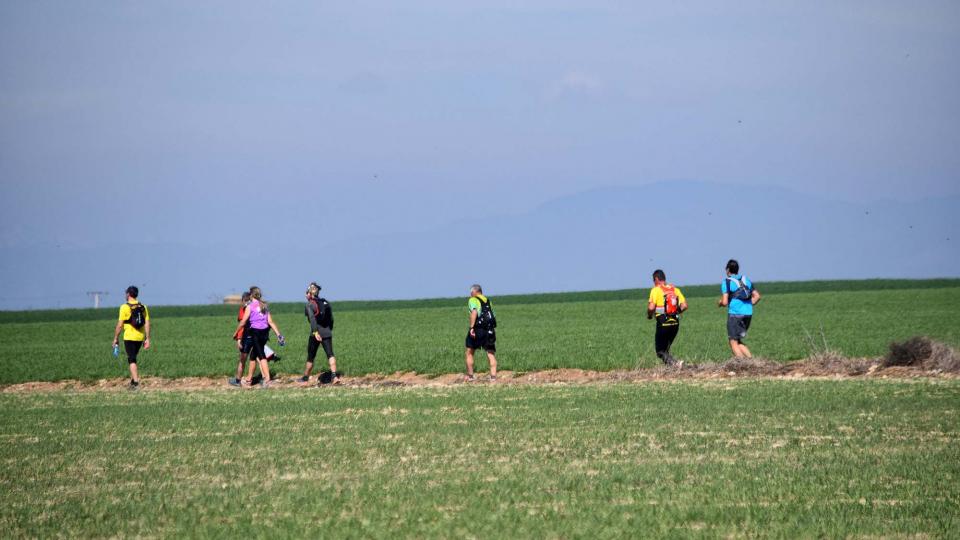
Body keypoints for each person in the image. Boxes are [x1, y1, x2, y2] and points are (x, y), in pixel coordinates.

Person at [234, 286, 285, 388]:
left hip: (256, 334)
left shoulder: (250, 306)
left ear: (251, 295)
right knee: (253, 356)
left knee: (261, 356)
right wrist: (278, 334)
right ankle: (249, 379)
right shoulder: (264, 306)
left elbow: (243, 322)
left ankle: (267, 380)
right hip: (265, 334)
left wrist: (236, 332)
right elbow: (270, 321)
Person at [297, 283, 340, 385]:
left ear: (310, 294)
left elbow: (312, 319)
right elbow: (331, 318)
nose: (306, 295)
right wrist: (329, 329)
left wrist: (315, 332)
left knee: (311, 356)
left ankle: (305, 378)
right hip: (327, 332)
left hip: (316, 333)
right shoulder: (325, 302)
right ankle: (334, 376)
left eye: (306, 293)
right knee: (330, 354)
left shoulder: (309, 304)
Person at [718, 259, 762, 358]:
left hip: (735, 314)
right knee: (738, 341)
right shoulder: (746, 280)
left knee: (732, 342)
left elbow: (725, 302)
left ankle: (742, 365)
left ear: (728, 270)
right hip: (748, 313)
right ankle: (752, 362)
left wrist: (719, 303)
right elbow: (757, 296)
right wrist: (749, 304)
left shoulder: (727, 282)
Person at [111, 286, 151, 390]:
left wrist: (116, 338)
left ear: (128, 294)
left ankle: (136, 383)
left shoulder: (124, 307)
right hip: (140, 337)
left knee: (131, 359)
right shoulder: (143, 307)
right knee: (132, 358)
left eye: (126, 293)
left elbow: (120, 325)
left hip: (129, 337)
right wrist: (147, 338)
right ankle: (133, 382)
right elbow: (147, 323)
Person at [646, 269, 688, 366]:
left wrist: (649, 315)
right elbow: (685, 305)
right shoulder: (675, 290)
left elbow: (651, 307)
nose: (653, 283)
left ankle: (676, 364)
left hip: (663, 323)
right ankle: (672, 369)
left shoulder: (655, 290)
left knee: (660, 351)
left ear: (656, 279)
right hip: (675, 324)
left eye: (653, 280)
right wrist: (675, 312)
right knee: (665, 350)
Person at [464, 284, 498, 381]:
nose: (470, 294)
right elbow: (493, 316)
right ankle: (493, 377)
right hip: (490, 330)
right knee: (490, 353)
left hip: (477, 329)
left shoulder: (473, 300)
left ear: (474, 292)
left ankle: (470, 376)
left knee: (469, 352)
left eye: (471, 292)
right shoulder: (488, 301)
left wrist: (471, 328)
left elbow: (474, 312)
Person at [228, 291, 253, 387]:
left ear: (243, 300)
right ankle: (264, 379)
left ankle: (238, 381)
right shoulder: (256, 307)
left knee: (242, 359)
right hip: (257, 336)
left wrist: (238, 338)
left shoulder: (243, 310)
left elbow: (242, 325)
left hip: (246, 337)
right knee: (257, 358)